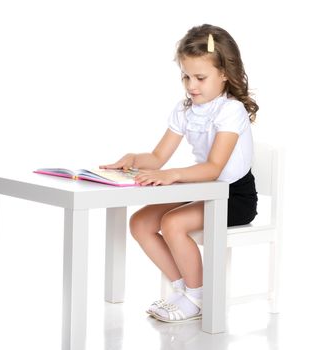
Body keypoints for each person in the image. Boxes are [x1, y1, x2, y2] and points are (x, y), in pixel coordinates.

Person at [100, 24, 258, 323]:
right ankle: (184, 289)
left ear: (225, 74)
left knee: (172, 223)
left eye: (200, 77)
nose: (191, 85)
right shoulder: (185, 110)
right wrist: (134, 158)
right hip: (203, 189)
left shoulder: (230, 110)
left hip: (232, 196)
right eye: (186, 76)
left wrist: (173, 175)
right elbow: (158, 157)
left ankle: (198, 297)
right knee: (141, 222)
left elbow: (214, 168)